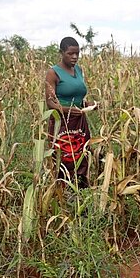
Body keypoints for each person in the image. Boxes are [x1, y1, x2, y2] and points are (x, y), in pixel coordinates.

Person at [45, 36, 97, 188]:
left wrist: (88, 105)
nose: (74, 57)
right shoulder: (53, 73)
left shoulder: (79, 70)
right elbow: (50, 102)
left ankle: (82, 192)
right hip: (62, 124)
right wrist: (67, 110)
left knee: (82, 156)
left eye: (77, 53)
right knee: (65, 159)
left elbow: (79, 96)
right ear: (61, 52)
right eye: (70, 53)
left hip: (80, 122)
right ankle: (63, 193)